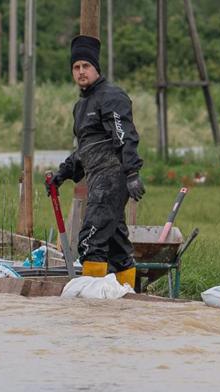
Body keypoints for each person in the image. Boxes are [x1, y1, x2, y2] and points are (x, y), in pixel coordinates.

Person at [50, 35, 145, 288]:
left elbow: (125, 135)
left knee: (90, 242)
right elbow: (85, 149)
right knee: (117, 246)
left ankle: (90, 304)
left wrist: (132, 173)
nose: (81, 71)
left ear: (96, 68)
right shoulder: (81, 106)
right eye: (76, 67)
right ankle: (126, 297)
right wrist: (62, 174)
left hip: (112, 178)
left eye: (86, 66)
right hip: (97, 180)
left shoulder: (112, 97)